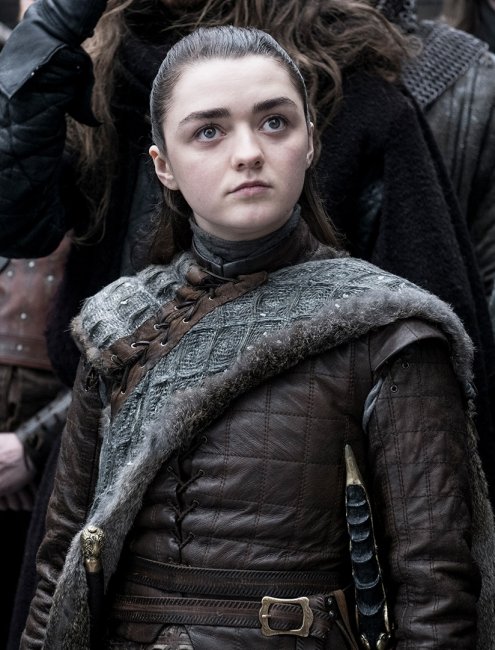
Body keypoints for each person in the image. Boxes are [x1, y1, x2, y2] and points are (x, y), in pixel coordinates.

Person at [22, 25, 495, 650]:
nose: (248, 152)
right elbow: (60, 568)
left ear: (310, 142)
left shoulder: (390, 331)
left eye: (274, 123)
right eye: (209, 131)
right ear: (164, 165)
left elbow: (435, 592)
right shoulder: (117, 325)